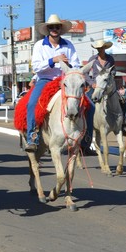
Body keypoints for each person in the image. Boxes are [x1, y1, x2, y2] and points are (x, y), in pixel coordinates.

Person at [25, 14, 81, 152]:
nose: (54, 29)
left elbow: (77, 65)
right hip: (46, 80)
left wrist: (69, 65)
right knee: (32, 104)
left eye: (57, 27)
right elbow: (36, 67)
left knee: (88, 105)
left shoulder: (68, 45)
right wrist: (53, 60)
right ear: (48, 29)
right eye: (52, 27)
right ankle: (32, 137)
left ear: (60, 29)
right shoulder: (39, 45)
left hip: (65, 80)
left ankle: (84, 139)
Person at [83, 39, 116, 154]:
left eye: (101, 48)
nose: (99, 50)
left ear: (105, 48)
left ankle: (121, 125)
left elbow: (114, 71)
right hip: (95, 87)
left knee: (121, 101)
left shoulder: (110, 59)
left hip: (106, 86)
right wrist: (92, 83)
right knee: (87, 106)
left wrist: (110, 78)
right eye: (98, 48)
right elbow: (85, 73)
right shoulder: (92, 60)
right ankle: (86, 138)